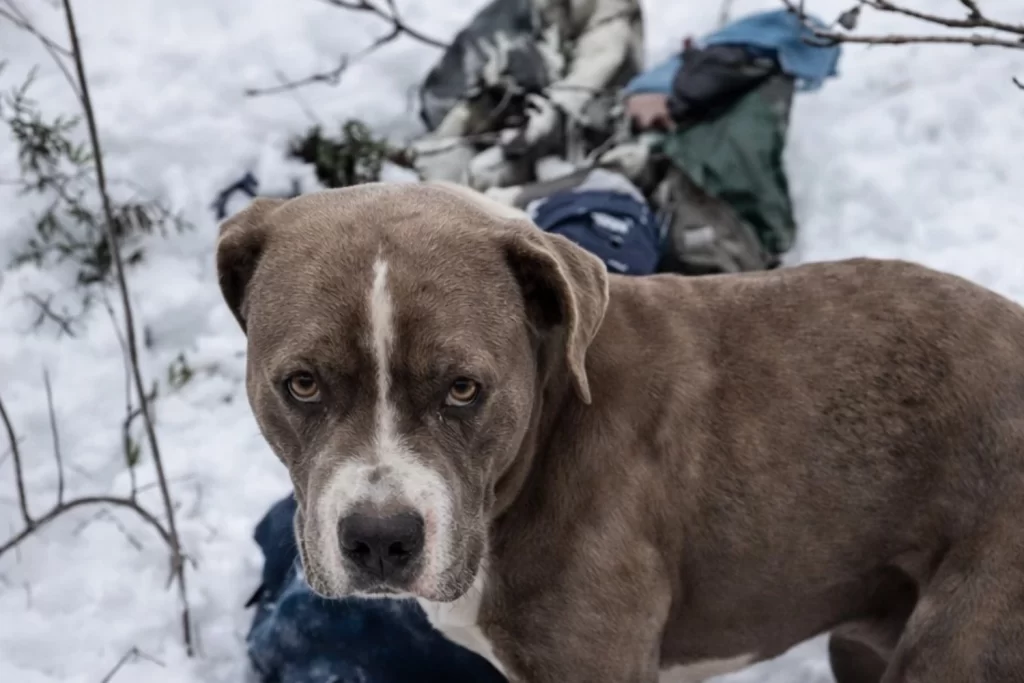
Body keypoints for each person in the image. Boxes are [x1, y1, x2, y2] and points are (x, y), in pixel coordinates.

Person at [409, 0, 644, 192]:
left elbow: (593, 74)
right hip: (484, 131)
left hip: (566, 144)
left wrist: (551, 112)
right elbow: (444, 96)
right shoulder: (505, 16)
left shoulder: (612, 20)